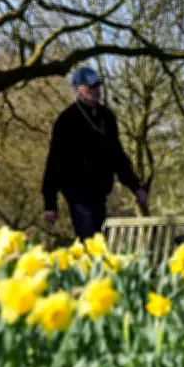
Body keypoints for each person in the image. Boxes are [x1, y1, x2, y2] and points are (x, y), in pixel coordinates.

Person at [42, 66, 148, 240]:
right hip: (78, 194)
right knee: (91, 241)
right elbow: (54, 162)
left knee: (98, 241)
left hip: (100, 192)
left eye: (98, 86)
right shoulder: (67, 120)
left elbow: (118, 157)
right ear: (77, 89)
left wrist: (136, 187)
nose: (96, 91)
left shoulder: (106, 117)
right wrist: (50, 203)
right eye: (91, 87)